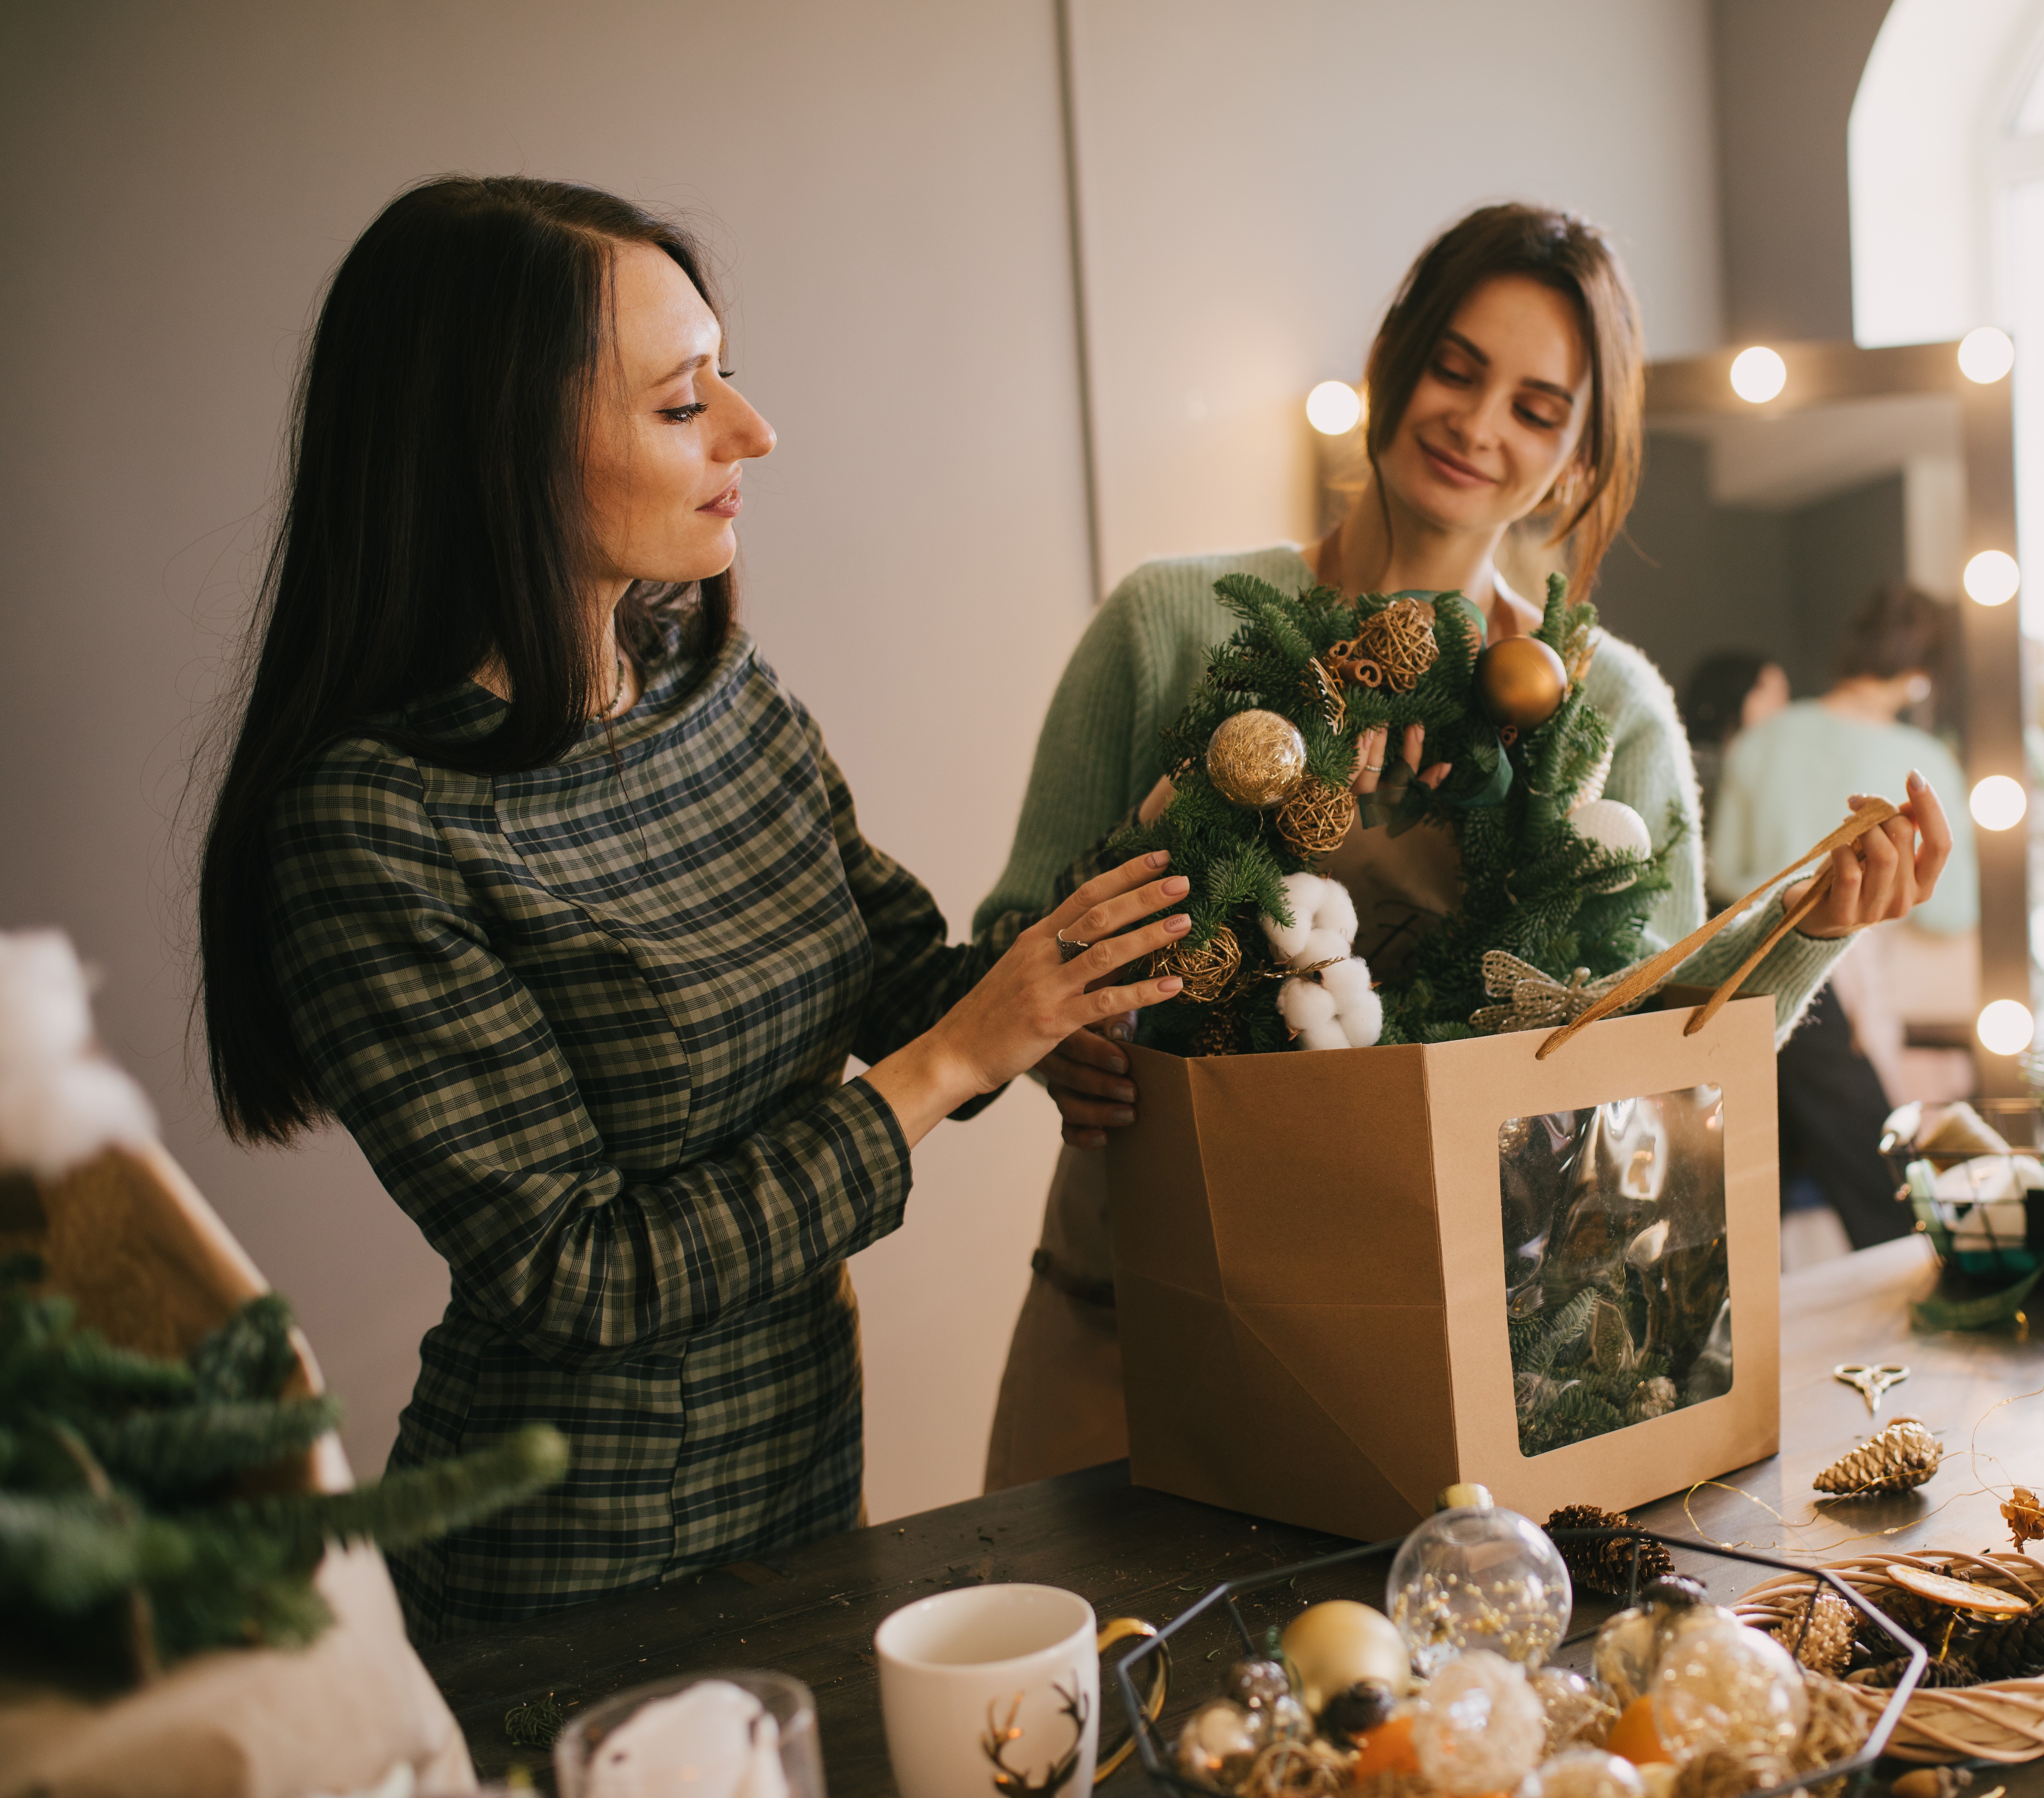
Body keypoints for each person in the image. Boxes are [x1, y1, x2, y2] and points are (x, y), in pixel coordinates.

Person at [196, 178, 1190, 1640]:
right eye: (680, 405)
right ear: (499, 459)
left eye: (727, 374)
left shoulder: (705, 681)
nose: (749, 430)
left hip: (799, 1474)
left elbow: (896, 965)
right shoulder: (370, 826)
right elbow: (579, 1270)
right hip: (567, 1561)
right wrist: (958, 1060)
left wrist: (1078, 980)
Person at [977, 205, 1953, 1488]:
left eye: (1538, 408)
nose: (1478, 424)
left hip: (1472, 1355)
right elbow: (1011, 935)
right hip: (1138, 1319)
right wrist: (1066, 1041)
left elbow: (1656, 1057)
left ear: (1578, 458)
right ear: (1390, 354)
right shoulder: (1170, 624)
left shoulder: (1611, 713)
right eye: (1455, 366)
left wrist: (1813, 930)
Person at [1707, 583, 1978, 1249]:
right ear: (1921, 677)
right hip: (1838, 982)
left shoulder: (1763, 741)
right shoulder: (1927, 763)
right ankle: (1927, 1276)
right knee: (1878, 1183)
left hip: (1746, 970)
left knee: (1746, 1180)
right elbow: (1953, 912)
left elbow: (1722, 873)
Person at [1679, 649, 1792, 899]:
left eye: (1785, 697)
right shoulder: (1695, 768)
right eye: (1768, 693)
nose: (1782, 708)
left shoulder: (1768, 776)